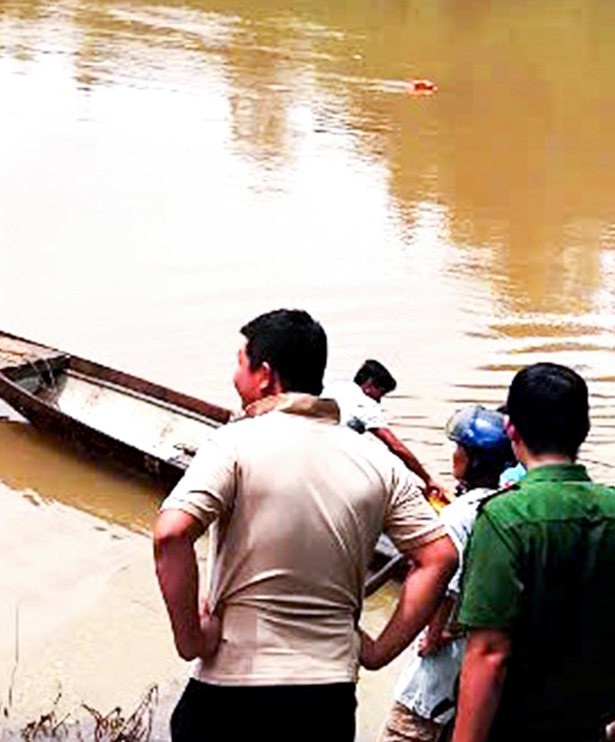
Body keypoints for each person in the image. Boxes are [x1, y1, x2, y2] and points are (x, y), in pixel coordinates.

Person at [154, 310, 458, 742]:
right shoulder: (376, 462)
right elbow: (440, 556)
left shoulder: (234, 443)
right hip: (326, 698)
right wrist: (377, 650)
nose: (234, 376)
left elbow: (171, 534)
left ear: (265, 375)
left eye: (240, 363)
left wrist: (191, 640)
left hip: (231, 691)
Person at [452, 364, 615, 742]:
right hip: (591, 728)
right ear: (584, 429)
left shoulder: (505, 517)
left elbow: (489, 654)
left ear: (510, 429)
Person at [380, 406, 517, 742]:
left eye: (460, 449)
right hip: (476, 667)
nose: (454, 455)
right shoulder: (503, 507)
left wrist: (432, 633)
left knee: (406, 729)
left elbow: (445, 585)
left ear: (473, 460)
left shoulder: (458, 516)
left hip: (437, 674)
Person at [335, 359, 452, 504]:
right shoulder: (364, 402)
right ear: (369, 385)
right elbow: (395, 446)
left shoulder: (336, 388)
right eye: (381, 394)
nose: (379, 401)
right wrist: (427, 479)